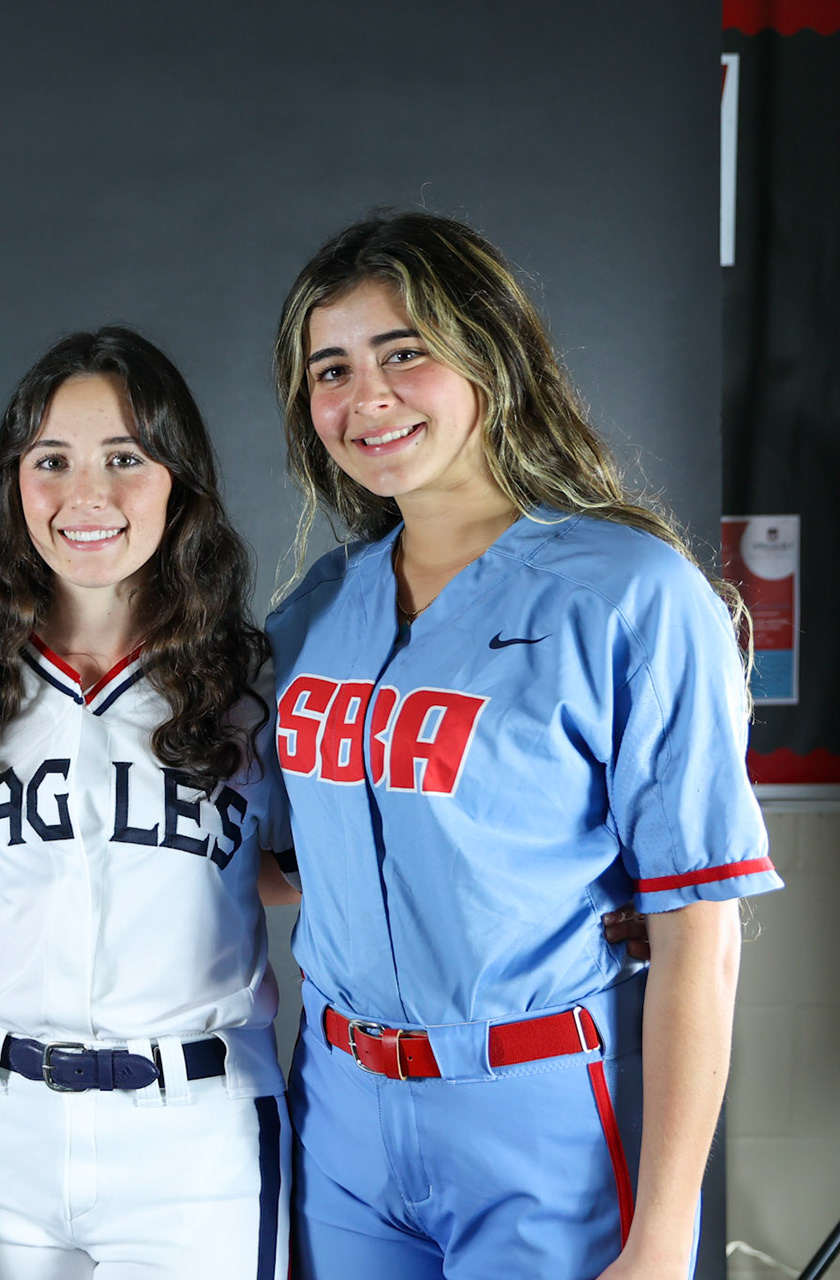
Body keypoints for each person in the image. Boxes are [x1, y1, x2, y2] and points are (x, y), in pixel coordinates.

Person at [266, 211, 781, 1280]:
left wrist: (664, 1230)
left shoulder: (633, 591)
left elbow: (701, 930)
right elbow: (291, 856)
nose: (365, 396)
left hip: (540, 1110)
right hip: (342, 1108)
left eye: (403, 351)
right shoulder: (323, 608)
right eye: (331, 367)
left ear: (490, 353)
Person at [0, 326, 295, 1278]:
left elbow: (326, 866)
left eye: (126, 458)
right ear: (15, 486)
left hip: (196, 1131)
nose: (87, 495)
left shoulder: (259, 683)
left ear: (181, 480)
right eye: (52, 461)